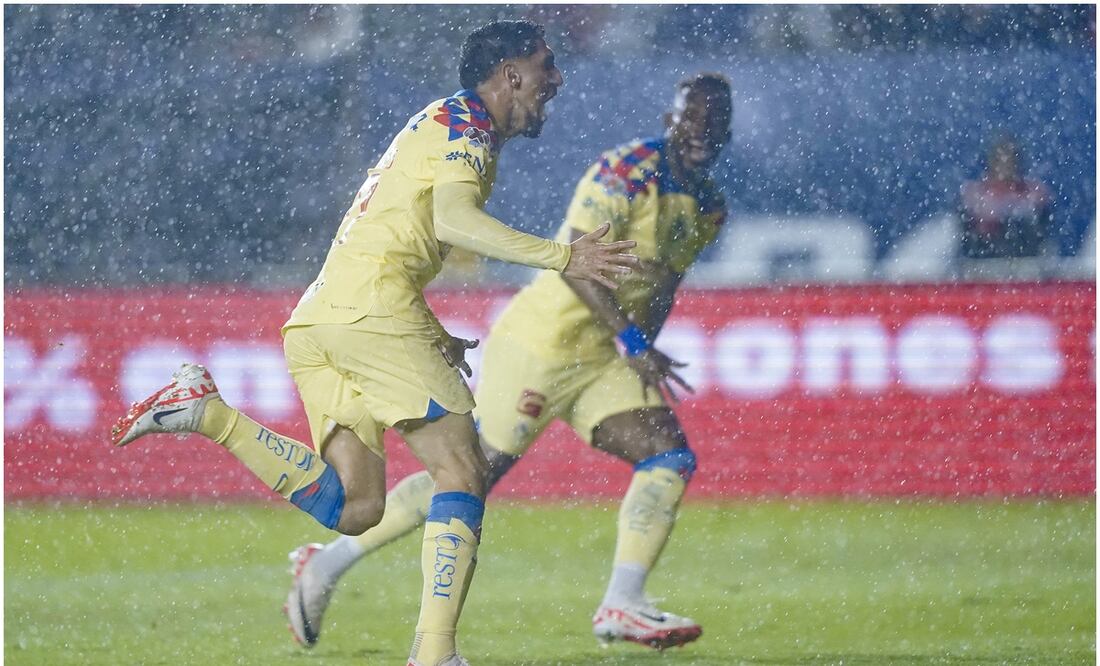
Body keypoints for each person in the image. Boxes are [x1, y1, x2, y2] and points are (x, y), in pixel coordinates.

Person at [111, 20, 638, 666]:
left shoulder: (441, 124)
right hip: (372, 313)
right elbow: (453, 222)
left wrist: (434, 334)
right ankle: (435, 653)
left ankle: (209, 413)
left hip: (322, 318)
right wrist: (564, 257)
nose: (556, 79)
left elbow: (396, 235)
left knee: (356, 506)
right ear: (510, 74)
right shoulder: (467, 128)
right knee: (462, 470)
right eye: (546, 65)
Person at [285, 73, 732, 652]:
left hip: (605, 357)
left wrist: (642, 346)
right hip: (542, 346)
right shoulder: (625, 172)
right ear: (671, 119)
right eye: (692, 117)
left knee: (667, 454)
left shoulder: (708, 205)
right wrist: (633, 342)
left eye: (714, 121)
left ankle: (623, 602)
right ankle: (327, 563)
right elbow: (579, 263)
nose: (701, 131)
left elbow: (665, 282)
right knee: (471, 474)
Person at [958, 134, 1053, 280]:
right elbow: (967, 242)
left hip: (1026, 272)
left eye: (1011, 160)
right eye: (1000, 159)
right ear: (991, 162)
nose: (1006, 165)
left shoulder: (1035, 195)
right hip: (982, 272)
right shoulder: (974, 196)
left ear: (1019, 163)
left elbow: (1042, 239)